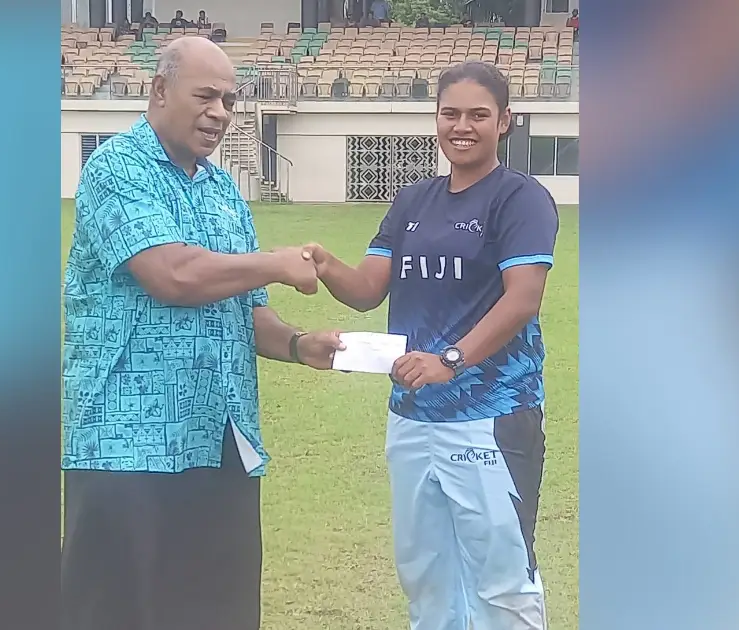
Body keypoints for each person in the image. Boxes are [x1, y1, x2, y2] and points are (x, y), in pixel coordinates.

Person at [60, 36, 346, 630]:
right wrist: (273, 261)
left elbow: (248, 312)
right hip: (126, 445)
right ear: (160, 90)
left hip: (219, 439)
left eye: (230, 101)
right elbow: (172, 273)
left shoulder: (222, 193)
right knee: (117, 612)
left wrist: (297, 344)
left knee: (218, 611)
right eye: (206, 96)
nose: (221, 112)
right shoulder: (116, 169)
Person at [302, 60, 558, 630]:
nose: (461, 126)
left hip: (489, 417)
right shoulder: (414, 200)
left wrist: (450, 361)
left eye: (478, 114)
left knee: (503, 578)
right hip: (413, 418)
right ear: (435, 118)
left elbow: (522, 300)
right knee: (427, 575)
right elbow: (369, 289)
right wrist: (325, 264)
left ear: (505, 121)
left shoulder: (520, 199)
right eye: (450, 113)